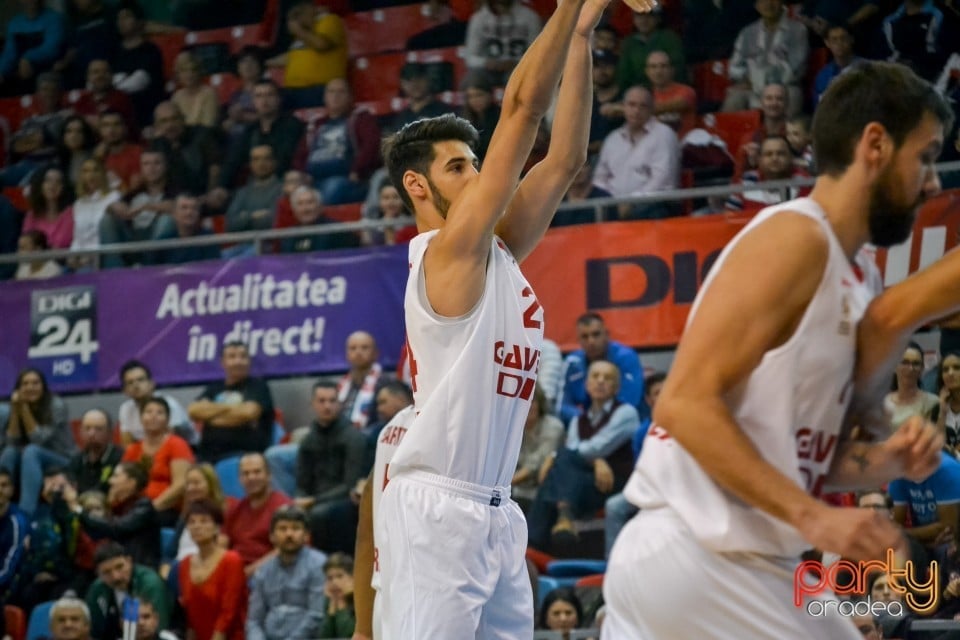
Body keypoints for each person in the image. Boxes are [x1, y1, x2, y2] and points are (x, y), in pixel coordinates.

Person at [602, 60, 953, 638]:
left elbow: (796, 457)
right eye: (926, 155)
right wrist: (817, 519)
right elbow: (682, 404)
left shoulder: (858, 273)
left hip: (713, 565)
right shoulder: (796, 237)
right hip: (704, 551)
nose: (933, 181)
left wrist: (890, 462)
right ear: (874, 144)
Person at [375, 0, 653, 634]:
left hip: (498, 512)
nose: (476, 176)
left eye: (476, 163)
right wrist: (564, 7)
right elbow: (524, 112)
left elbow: (564, 160)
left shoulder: (493, 248)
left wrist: (582, 35)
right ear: (418, 187)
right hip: (438, 507)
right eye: (458, 167)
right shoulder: (446, 252)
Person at [0, 368, 73, 516]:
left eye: (35, 383)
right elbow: (11, 442)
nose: (30, 388)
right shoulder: (14, 407)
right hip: (30, 462)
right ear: (18, 389)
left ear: (43, 386)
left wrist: (24, 409)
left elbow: (39, 440)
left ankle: (26, 514)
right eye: (25, 384)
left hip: (62, 459)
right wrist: (15, 410)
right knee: (9, 452)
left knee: (32, 450)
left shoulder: (56, 405)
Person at [246, 505, 326, 640]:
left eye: (295, 528)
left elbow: (316, 615)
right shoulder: (264, 570)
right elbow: (254, 620)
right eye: (283, 529)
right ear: (272, 536)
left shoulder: (319, 564)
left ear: (306, 535)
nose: (289, 534)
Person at [188, 341, 275, 463]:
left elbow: (248, 413)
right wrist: (233, 410)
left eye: (243, 356)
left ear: (249, 361)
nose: (238, 361)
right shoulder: (214, 388)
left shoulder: (258, 386)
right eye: (232, 357)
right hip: (207, 457)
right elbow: (193, 411)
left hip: (245, 457)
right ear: (223, 362)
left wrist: (211, 416)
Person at [178, 499, 247, 640]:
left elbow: (228, 612)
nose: (197, 526)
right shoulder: (184, 564)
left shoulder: (231, 560)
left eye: (204, 521)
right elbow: (190, 616)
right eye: (192, 522)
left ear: (217, 527)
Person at [121, 397, 195, 526]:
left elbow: (180, 485)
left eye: (159, 413)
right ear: (141, 418)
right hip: (137, 509)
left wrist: (151, 508)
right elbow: (123, 482)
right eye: (148, 412)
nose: (153, 416)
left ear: (167, 420)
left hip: (168, 509)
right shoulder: (133, 450)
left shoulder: (177, 445)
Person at [85, 542, 170, 640]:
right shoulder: (97, 589)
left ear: (129, 562)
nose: (115, 577)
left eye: (119, 567)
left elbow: (158, 628)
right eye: (106, 572)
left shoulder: (150, 583)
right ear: (98, 574)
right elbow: (94, 631)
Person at [117, 360, 194, 446]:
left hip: (185, 450)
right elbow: (127, 444)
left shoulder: (169, 404)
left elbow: (170, 443)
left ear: (152, 384)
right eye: (130, 383)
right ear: (125, 391)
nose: (136, 386)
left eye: (141, 380)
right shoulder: (126, 409)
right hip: (146, 452)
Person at [66, 408, 123, 494]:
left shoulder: (121, 458)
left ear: (110, 432)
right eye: (87, 428)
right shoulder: (75, 461)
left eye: (98, 429)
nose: (91, 433)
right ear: (80, 432)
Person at [884, 342, 939, 431]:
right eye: (905, 362)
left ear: (922, 368)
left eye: (916, 363)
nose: (910, 368)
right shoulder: (883, 402)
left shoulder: (932, 402)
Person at [319, 552, 355, 639]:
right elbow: (324, 637)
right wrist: (331, 609)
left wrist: (341, 605)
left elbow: (348, 635)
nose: (334, 582)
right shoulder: (330, 600)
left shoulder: (360, 600)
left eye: (340, 576)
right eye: (330, 578)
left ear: (353, 577)